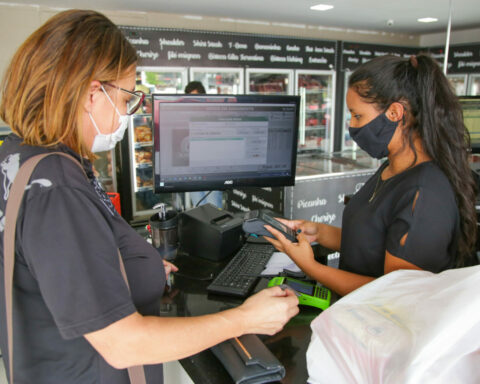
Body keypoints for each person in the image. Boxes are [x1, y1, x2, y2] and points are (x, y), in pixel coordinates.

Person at [0, 10, 299, 384]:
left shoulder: (19, 156)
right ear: (93, 93)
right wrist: (245, 319)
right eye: (127, 99)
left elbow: (59, 269)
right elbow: (123, 343)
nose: (127, 114)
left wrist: (129, 267)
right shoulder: (57, 186)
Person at [265, 54, 477, 297]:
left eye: (358, 116)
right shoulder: (391, 167)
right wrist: (318, 232)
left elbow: (395, 293)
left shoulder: (424, 192)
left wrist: (310, 266)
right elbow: (371, 240)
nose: (352, 126)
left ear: (395, 113)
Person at [183, 80, 224, 208]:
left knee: (214, 206)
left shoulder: (214, 113)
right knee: (197, 206)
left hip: (212, 169)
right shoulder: (185, 115)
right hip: (192, 170)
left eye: (195, 97)